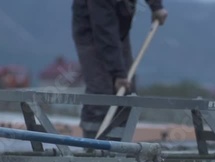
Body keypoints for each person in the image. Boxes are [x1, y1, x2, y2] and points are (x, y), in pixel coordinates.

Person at [72, 0, 168, 139]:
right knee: (101, 92)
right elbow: (104, 31)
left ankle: (120, 146)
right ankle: (92, 146)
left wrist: (156, 7)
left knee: (127, 92)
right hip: (92, 32)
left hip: (118, 30)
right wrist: (118, 73)